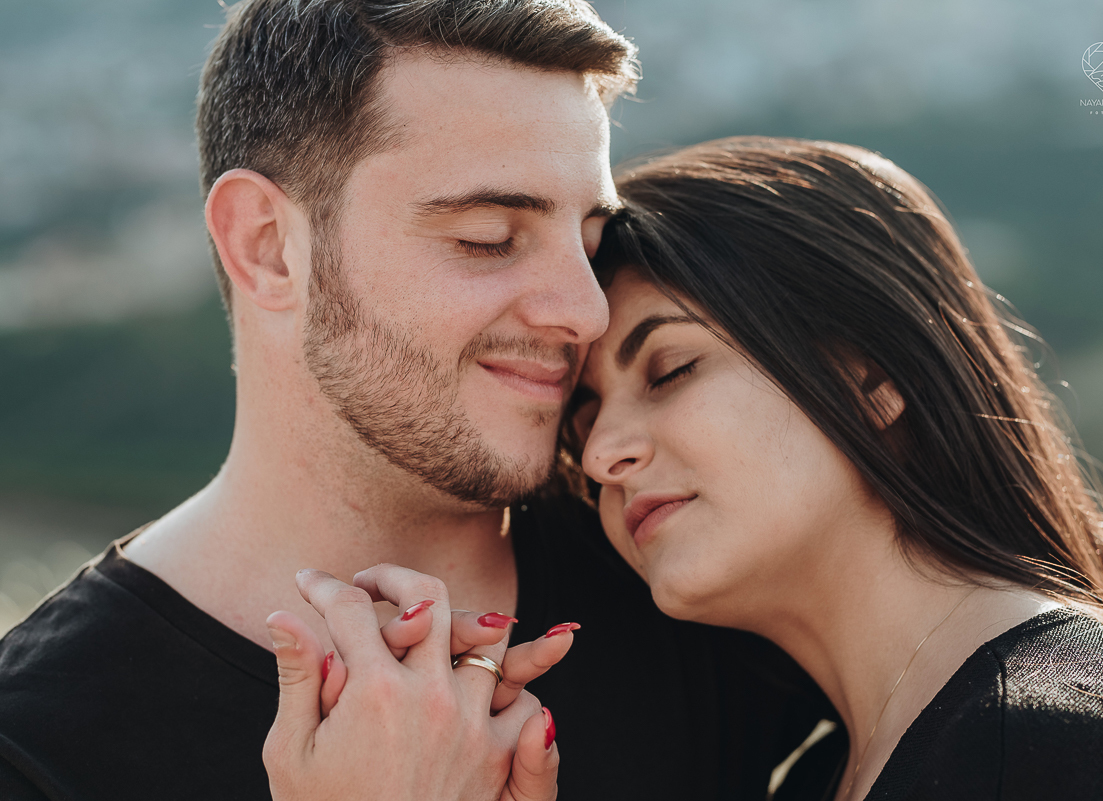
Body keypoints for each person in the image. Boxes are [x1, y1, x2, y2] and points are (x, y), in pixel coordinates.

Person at [0, 5, 829, 800]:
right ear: (268, 247)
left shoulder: (688, 567)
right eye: (488, 239)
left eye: (590, 244)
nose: (584, 312)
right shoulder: (36, 747)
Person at [262, 136, 1103, 801]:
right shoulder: (827, 770)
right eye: (581, 418)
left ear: (871, 376)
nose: (600, 453)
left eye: (670, 369)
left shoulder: (1054, 740)